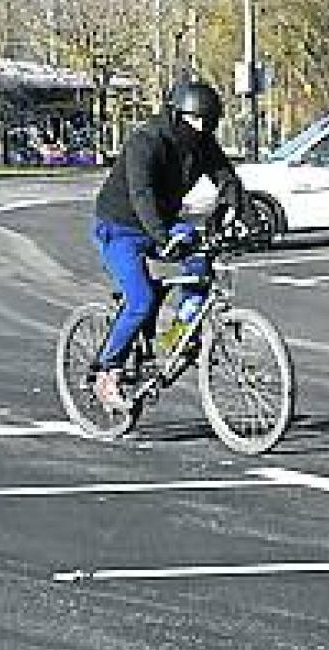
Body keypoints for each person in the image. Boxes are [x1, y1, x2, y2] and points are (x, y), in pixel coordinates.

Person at [89, 79, 246, 410]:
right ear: (176, 115)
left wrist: (235, 208)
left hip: (161, 223)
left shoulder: (201, 144)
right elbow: (142, 196)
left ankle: (180, 333)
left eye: (208, 122)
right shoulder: (146, 142)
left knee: (200, 261)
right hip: (120, 229)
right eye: (195, 120)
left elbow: (225, 176)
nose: (201, 128)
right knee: (141, 299)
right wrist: (164, 238)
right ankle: (107, 371)